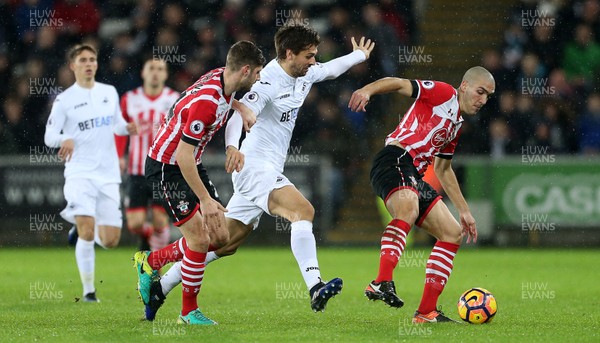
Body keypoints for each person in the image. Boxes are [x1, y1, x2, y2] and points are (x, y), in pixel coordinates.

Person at [144, 24, 375, 320]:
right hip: (253, 166)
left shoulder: (305, 73)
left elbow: (330, 69)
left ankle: (158, 281)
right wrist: (232, 147)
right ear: (289, 54)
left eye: (314, 55)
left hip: (265, 168)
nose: (313, 61)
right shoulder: (266, 82)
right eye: (309, 56)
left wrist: (358, 55)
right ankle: (315, 285)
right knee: (303, 211)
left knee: (222, 243)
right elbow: (237, 115)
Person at [347, 67, 495, 323]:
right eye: (480, 92)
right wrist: (367, 90)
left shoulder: (456, 125)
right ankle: (381, 281)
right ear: (464, 86)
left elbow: (443, 169)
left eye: (488, 96)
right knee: (408, 208)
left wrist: (464, 211)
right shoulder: (443, 93)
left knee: (452, 233)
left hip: (415, 174)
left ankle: (426, 311)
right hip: (396, 158)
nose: (482, 100)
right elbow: (398, 83)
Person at [133, 40, 265, 325]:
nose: (259, 78)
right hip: (168, 168)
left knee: (220, 237)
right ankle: (188, 313)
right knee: (199, 239)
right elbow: (182, 155)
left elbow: (222, 97)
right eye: (256, 73)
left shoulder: (222, 77)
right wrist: (205, 199)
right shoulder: (207, 103)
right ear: (244, 70)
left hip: (190, 163)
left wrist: (240, 108)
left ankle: (152, 262)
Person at [44, 44, 137, 302]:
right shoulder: (65, 100)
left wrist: (126, 128)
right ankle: (88, 292)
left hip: (108, 174)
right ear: (72, 66)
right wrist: (65, 139)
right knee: (87, 229)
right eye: (83, 60)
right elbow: (49, 135)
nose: (88, 64)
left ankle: (81, 230)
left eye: (92, 59)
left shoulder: (109, 92)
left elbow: (116, 124)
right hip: (80, 173)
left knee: (110, 241)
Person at [115, 58, 180, 251]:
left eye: (160, 69)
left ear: (166, 74)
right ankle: (147, 236)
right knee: (135, 223)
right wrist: (119, 156)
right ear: (143, 73)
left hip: (162, 170)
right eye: (151, 68)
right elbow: (119, 130)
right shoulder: (129, 99)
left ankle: (155, 266)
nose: (155, 72)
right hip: (137, 169)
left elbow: (181, 130)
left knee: (160, 220)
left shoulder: (175, 98)